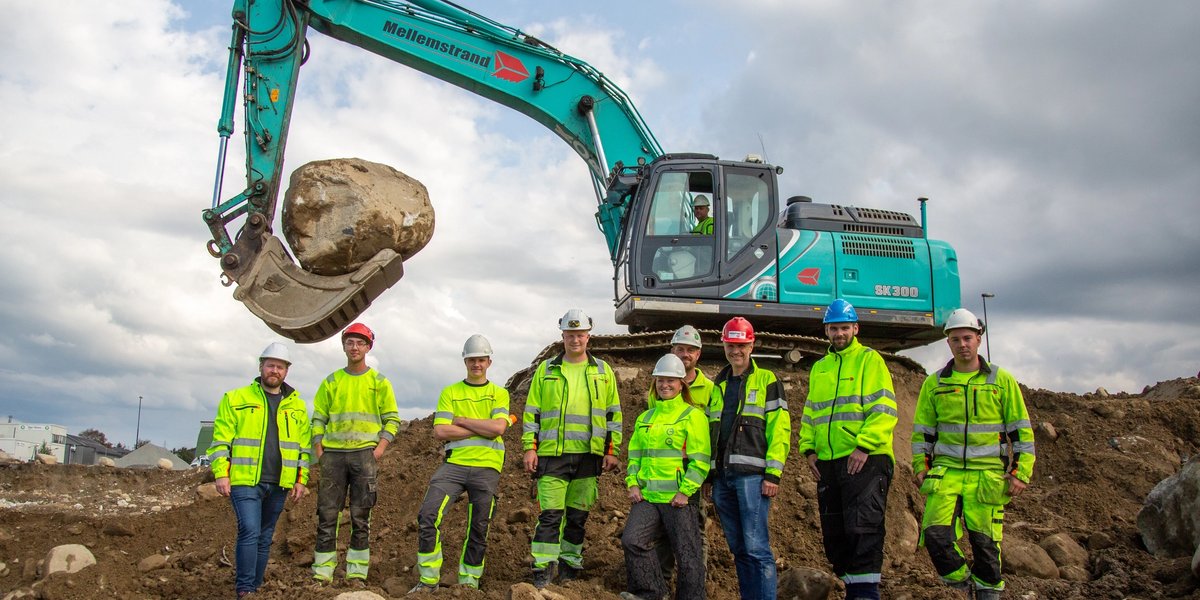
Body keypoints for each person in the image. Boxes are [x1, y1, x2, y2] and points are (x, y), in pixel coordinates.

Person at [912, 309, 1035, 600]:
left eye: (968, 338)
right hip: (946, 474)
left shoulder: (1001, 381)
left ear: (979, 339)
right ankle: (962, 588)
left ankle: (988, 595)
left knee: (986, 547)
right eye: (956, 339)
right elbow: (923, 433)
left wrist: (1021, 472)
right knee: (934, 535)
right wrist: (921, 465)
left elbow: (1021, 432)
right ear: (949, 343)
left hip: (987, 476)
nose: (962, 344)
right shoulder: (935, 383)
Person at [798, 299, 898, 600]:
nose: (839, 333)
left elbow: (883, 409)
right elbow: (810, 412)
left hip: (865, 460)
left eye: (844, 327)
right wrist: (809, 450)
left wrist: (864, 446)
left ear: (855, 328)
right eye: (833, 328)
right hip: (829, 462)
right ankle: (854, 590)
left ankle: (865, 595)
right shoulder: (820, 368)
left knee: (863, 529)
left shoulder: (870, 360)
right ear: (826, 330)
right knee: (836, 536)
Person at [522, 308, 623, 588]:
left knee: (577, 518)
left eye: (580, 334)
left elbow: (614, 413)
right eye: (570, 334)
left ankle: (569, 569)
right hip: (552, 455)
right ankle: (543, 571)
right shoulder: (547, 370)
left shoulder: (603, 371)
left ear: (588, 336)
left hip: (588, 456)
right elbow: (532, 412)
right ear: (562, 336)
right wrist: (530, 448)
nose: (575, 339)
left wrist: (612, 450)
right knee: (550, 516)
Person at [208, 342, 312, 599]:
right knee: (250, 530)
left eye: (280, 366)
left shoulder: (297, 406)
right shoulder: (236, 399)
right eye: (270, 365)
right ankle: (244, 589)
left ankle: (255, 587)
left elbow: (303, 449)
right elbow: (220, 441)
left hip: (280, 481)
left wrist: (301, 480)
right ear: (261, 367)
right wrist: (221, 473)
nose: (274, 370)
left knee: (265, 537)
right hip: (245, 480)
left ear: (286, 371)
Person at [410, 335, 511, 593]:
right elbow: (441, 432)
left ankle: (469, 582)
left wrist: (462, 420)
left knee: (479, 524)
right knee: (428, 515)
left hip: (487, 466)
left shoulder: (499, 393)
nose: (476, 364)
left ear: (489, 361)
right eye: (471, 360)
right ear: (465, 361)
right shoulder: (451, 392)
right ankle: (428, 580)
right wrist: (482, 428)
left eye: (480, 360)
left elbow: (499, 428)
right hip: (453, 466)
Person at [311, 323, 401, 584]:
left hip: (364, 456)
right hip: (334, 457)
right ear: (343, 346)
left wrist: (380, 449)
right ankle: (322, 573)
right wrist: (319, 449)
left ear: (368, 347)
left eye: (360, 343)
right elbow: (318, 418)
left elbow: (392, 419)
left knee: (361, 516)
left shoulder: (379, 383)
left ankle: (357, 573)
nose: (354, 347)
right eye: (350, 342)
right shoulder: (332, 381)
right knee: (328, 514)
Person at [708, 316, 790, 600]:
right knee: (739, 549)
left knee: (757, 548)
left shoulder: (767, 380)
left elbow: (780, 429)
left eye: (741, 345)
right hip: (723, 478)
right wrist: (710, 474)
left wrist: (773, 473)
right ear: (724, 345)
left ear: (751, 344)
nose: (736, 351)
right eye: (731, 345)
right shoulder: (718, 385)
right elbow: (712, 435)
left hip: (753, 477)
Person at [621, 354, 710, 600]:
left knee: (687, 553)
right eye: (660, 380)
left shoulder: (692, 416)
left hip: (678, 498)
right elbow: (634, 457)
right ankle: (652, 594)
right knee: (632, 540)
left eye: (671, 380)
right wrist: (632, 483)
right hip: (648, 497)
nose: (665, 385)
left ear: (682, 383)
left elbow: (700, 460)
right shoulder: (645, 418)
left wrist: (686, 491)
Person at [648, 325, 715, 581]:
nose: (685, 354)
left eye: (690, 350)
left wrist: (708, 472)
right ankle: (661, 581)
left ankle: (696, 582)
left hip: (692, 470)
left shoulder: (709, 389)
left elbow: (713, 432)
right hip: (663, 471)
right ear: (672, 350)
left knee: (695, 528)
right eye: (680, 349)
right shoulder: (659, 388)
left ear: (698, 354)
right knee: (663, 527)